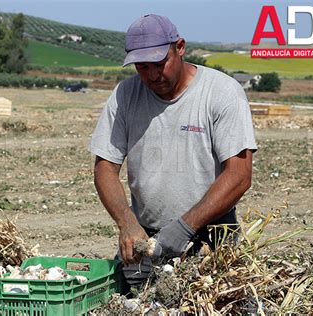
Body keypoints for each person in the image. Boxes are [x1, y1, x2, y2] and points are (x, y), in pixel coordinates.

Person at [88, 14, 257, 292]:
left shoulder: (222, 92)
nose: (152, 75)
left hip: (213, 235)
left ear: (180, 47)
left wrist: (185, 227)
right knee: (134, 302)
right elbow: (105, 167)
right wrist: (127, 223)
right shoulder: (125, 95)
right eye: (142, 67)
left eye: (159, 64)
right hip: (146, 233)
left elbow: (239, 175)